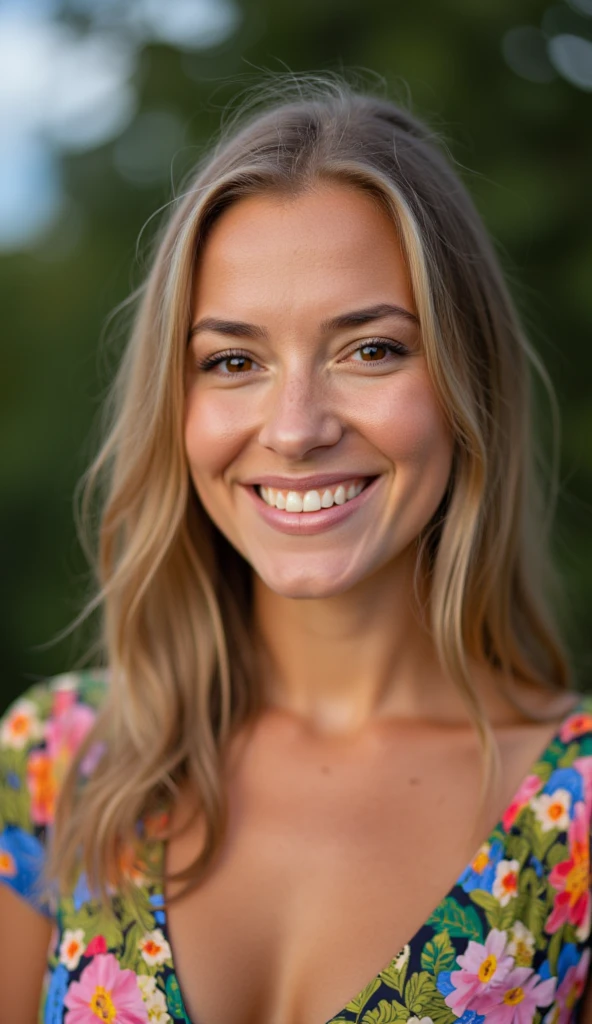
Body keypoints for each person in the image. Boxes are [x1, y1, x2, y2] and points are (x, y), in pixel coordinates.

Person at [0, 74, 591, 1024]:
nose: (296, 427)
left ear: (464, 378)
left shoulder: (577, 819)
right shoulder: (57, 763)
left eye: (371, 350)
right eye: (233, 361)